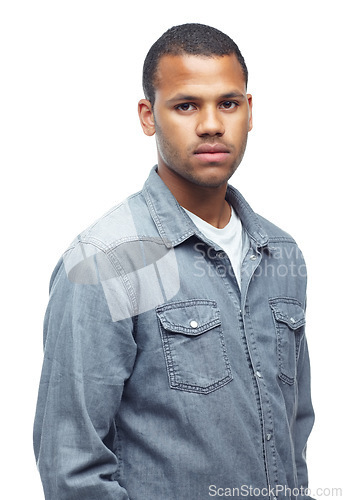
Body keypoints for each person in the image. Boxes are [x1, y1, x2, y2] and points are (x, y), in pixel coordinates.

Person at [33, 23, 315, 500]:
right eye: (186, 105)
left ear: (249, 112)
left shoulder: (281, 254)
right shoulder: (108, 262)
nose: (210, 124)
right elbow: (72, 468)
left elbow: (295, 430)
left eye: (228, 103)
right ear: (148, 116)